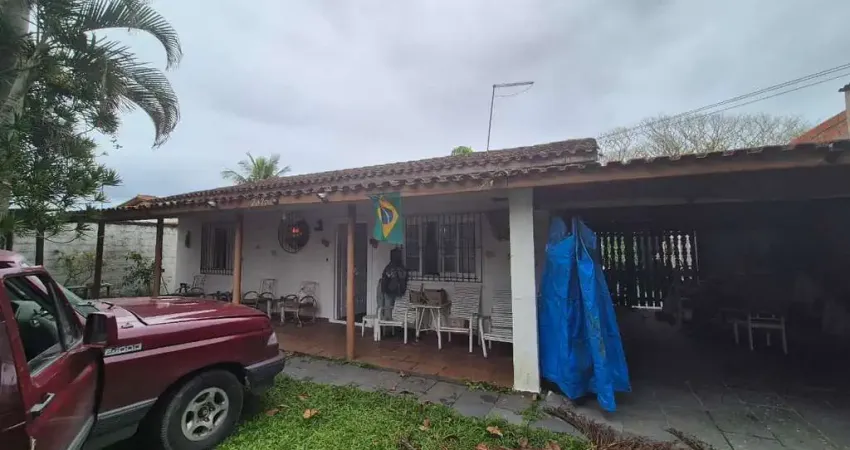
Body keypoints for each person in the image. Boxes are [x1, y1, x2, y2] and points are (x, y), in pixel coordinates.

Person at [379, 247, 408, 321]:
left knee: (393, 311)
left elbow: (404, 278)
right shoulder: (390, 267)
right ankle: (387, 327)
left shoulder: (398, 267)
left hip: (396, 291)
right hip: (389, 291)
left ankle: (391, 327)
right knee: (387, 310)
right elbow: (386, 278)